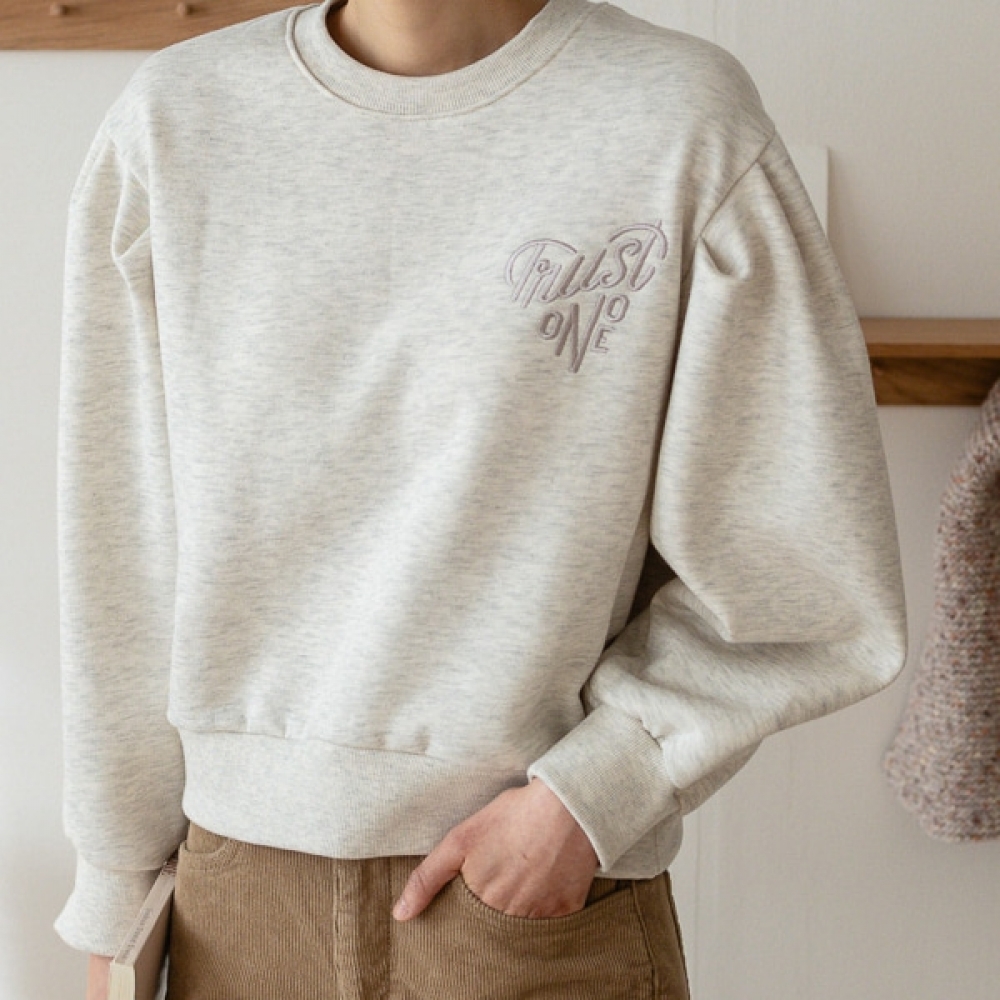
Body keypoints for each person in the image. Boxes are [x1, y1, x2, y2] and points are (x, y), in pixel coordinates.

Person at [54, 0, 908, 997]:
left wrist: (589, 796)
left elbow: (807, 574)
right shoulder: (175, 121)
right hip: (233, 909)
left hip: (535, 896)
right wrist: (116, 899)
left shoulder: (679, 120)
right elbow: (122, 554)